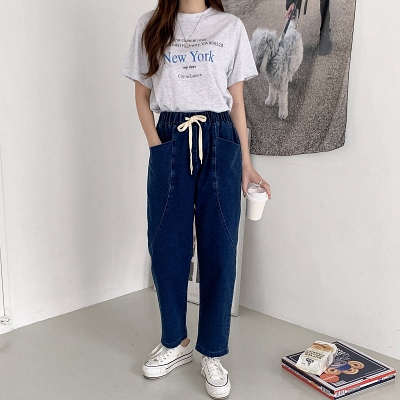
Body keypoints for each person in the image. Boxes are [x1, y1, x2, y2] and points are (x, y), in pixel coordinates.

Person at [122, 0, 271, 398]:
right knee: (166, 245)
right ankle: (175, 342)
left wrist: (247, 164)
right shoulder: (150, 25)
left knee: (220, 247)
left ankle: (213, 352)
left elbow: (237, 101)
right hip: (170, 136)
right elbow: (141, 98)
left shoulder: (230, 26)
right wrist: (158, 147)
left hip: (220, 137)